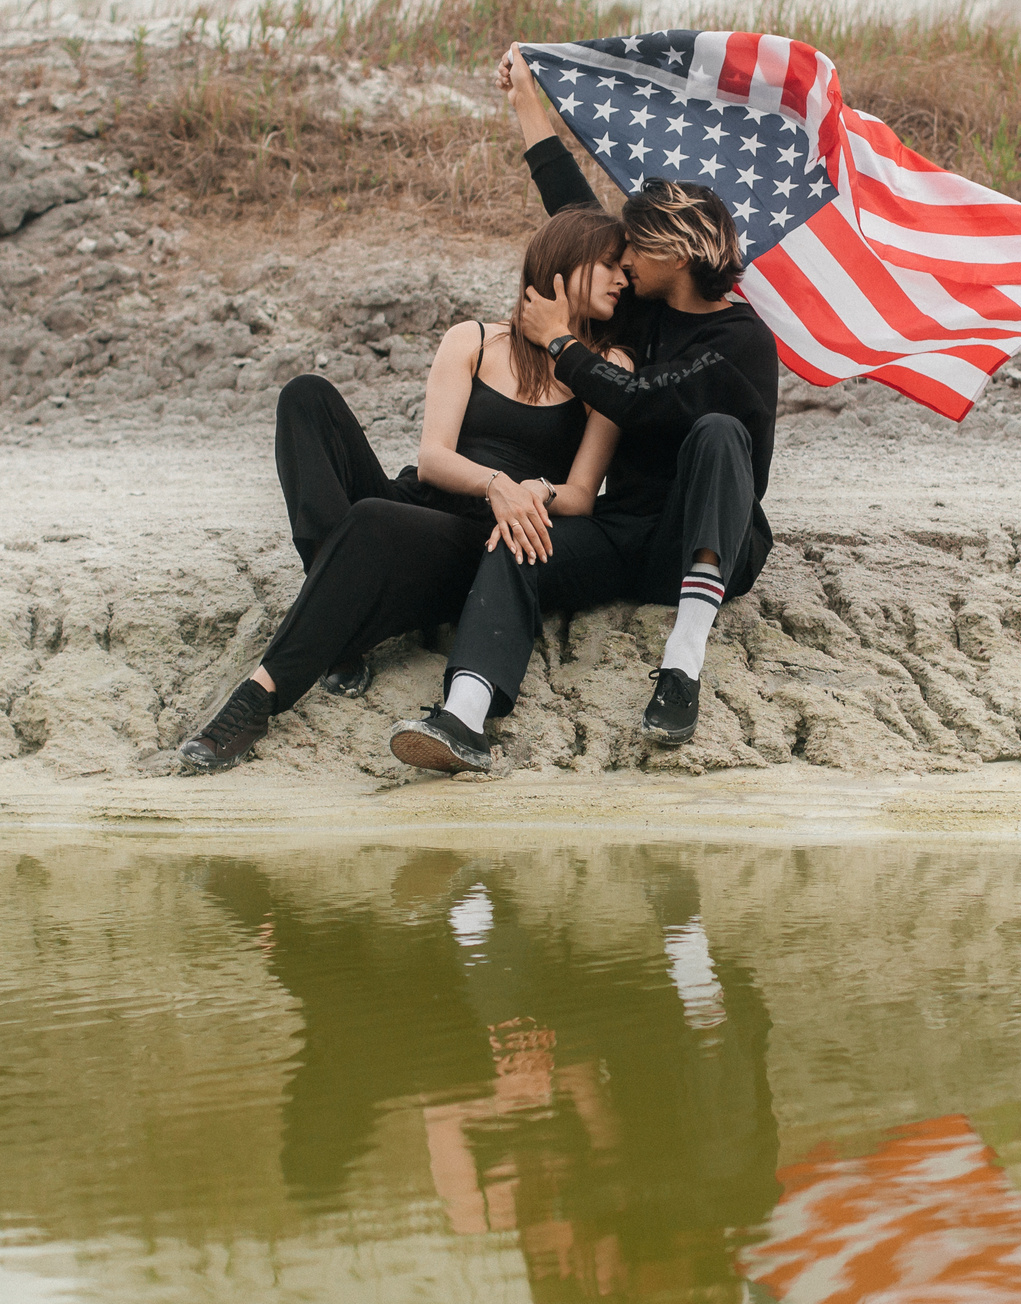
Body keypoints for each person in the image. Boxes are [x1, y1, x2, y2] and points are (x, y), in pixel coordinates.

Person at [384, 47, 782, 776]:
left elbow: (644, 402)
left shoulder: (742, 341)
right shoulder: (639, 312)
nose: (621, 257)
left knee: (719, 434)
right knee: (520, 536)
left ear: (677, 247)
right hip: (622, 535)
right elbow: (568, 205)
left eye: (635, 245)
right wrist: (527, 102)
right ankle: (464, 715)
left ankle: (681, 666)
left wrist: (558, 342)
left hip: (704, 547)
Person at [179, 208, 633, 770]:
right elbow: (434, 459)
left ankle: (257, 699)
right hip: (419, 503)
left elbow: (584, 493)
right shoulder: (474, 339)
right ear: (566, 265)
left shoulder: (606, 366)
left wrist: (528, 492)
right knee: (306, 395)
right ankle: (341, 631)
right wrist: (494, 482)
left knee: (371, 519)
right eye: (611, 265)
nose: (623, 280)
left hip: (476, 543)